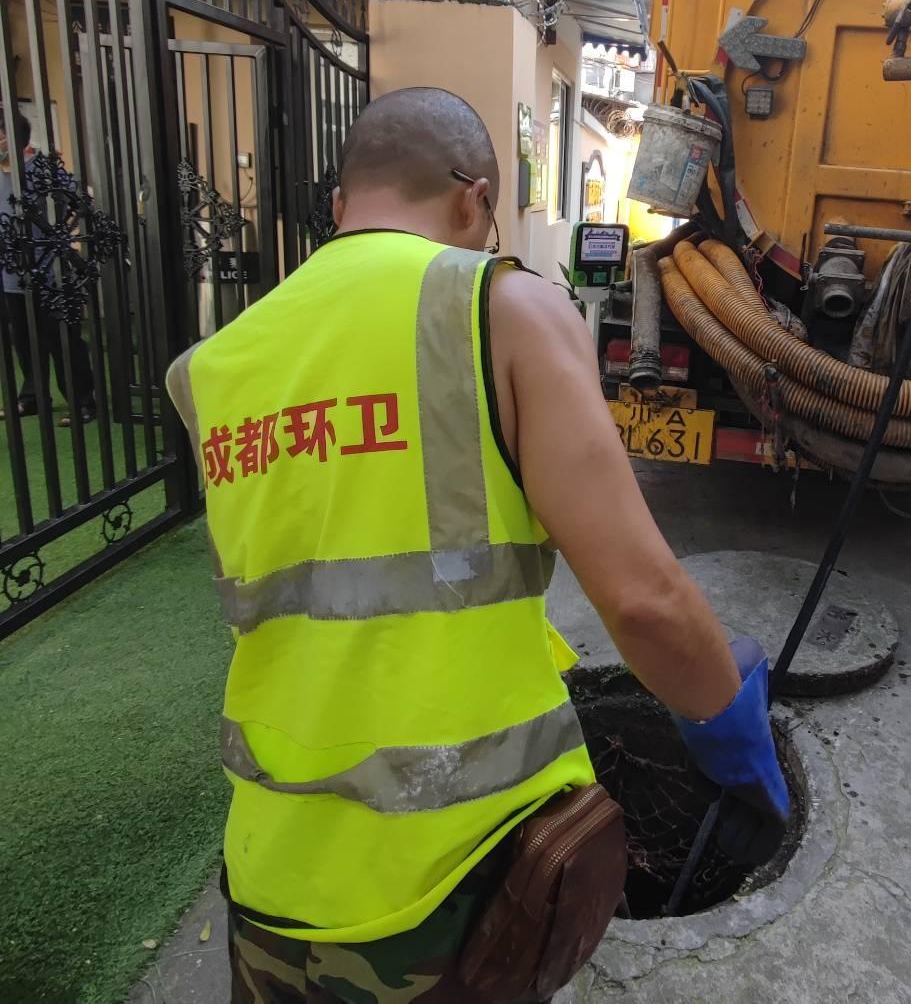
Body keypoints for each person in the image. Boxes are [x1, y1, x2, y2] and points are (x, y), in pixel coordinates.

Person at [165, 87, 788, 1004]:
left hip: (269, 877)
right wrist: (728, 725)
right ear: (474, 200)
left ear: (340, 209)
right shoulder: (502, 310)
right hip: (451, 888)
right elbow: (645, 599)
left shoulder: (210, 368)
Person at [0, 109, 96, 426]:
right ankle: (32, 397)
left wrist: (60, 237)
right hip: (12, 276)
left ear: (9, 137)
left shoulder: (42, 169)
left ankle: (82, 401)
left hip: (50, 272)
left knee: (62, 338)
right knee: (24, 340)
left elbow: (80, 202)